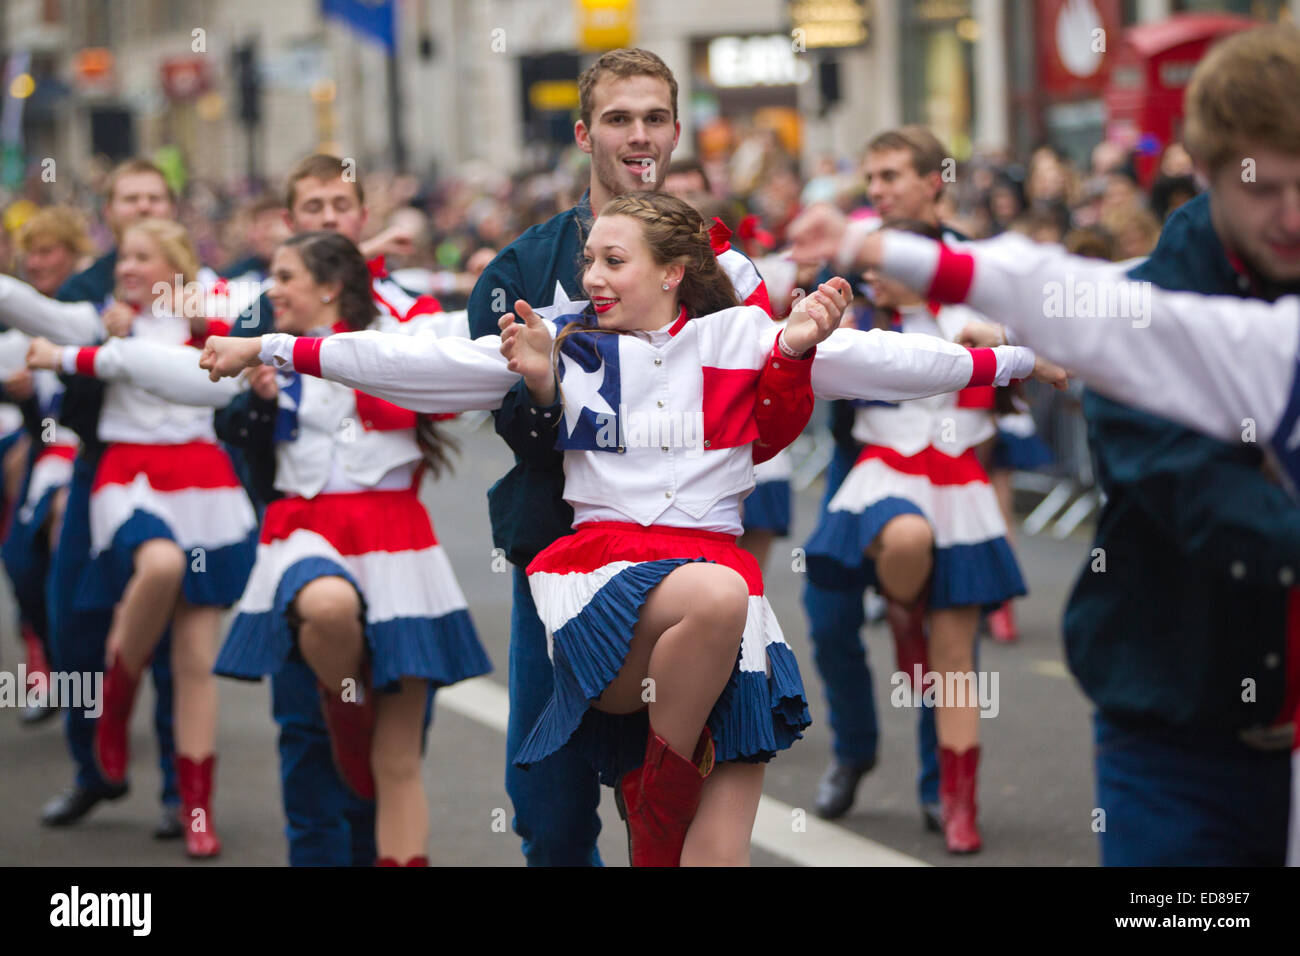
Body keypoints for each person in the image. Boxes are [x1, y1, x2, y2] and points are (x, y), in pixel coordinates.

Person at [200, 192, 1051, 865]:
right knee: (720, 592)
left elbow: (899, 362)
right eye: (589, 260)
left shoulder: (748, 337)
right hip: (608, 585)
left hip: (721, 608)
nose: (592, 277)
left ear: (676, 271)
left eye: (613, 261)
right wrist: (274, 346)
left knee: (716, 856)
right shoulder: (564, 345)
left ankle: (661, 798)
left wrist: (1018, 357)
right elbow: (410, 362)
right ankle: (654, 809)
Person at [853, 28, 1300, 864]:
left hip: (971, 468)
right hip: (1177, 724)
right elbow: (1033, 291)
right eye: (1266, 188)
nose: (1293, 216)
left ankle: (954, 792)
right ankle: (899, 677)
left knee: (955, 645)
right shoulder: (1162, 287)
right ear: (1206, 171)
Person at [465, 48, 801, 866]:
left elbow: (769, 394)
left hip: (688, 566)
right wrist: (555, 393)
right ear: (585, 133)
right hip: (561, 556)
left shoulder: (723, 265)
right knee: (551, 816)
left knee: (677, 815)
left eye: (655, 118)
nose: (639, 134)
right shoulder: (523, 268)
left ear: (678, 131)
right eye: (619, 118)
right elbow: (491, 404)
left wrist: (994, 358)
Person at [214, 154, 452, 866]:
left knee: (398, 752)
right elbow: (215, 405)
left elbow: (447, 380)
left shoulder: (413, 313)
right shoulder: (266, 310)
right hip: (300, 529)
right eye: (310, 207)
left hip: (395, 540)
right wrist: (255, 398)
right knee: (308, 746)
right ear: (288, 222)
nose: (326, 218)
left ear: (360, 216)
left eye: (338, 206)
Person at [20, 218, 259, 858]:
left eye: (142, 258)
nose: (126, 268)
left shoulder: (211, 317)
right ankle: (114, 705)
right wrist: (87, 338)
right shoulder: (102, 318)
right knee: (159, 565)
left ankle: (196, 808)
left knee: (194, 665)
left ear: (175, 266)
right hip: (129, 475)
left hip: (204, 480)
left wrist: (199, 308)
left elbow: (264, 294)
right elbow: (30, 309)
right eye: (123, 256)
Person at [9, 160, 186, 836]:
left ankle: (181, 794)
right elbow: (42, 363)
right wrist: (94, 350)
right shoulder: (86, 290)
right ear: (107, 211)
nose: (141, 207)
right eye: (129, 198)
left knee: (175, 642)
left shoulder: (197, 291)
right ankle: (92, 768)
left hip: (180, 479)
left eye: (154, 197)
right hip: (96, 466)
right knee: (75, 619)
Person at [0, 206, 89, 724]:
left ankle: (89, 684)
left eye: (47, 251)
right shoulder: (20, 329)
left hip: (99, 458)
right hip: (45, 454)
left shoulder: (92, 312)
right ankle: (52, 663)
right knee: (20, 562)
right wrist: (29, 399)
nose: (35, 262)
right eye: (28, 253)